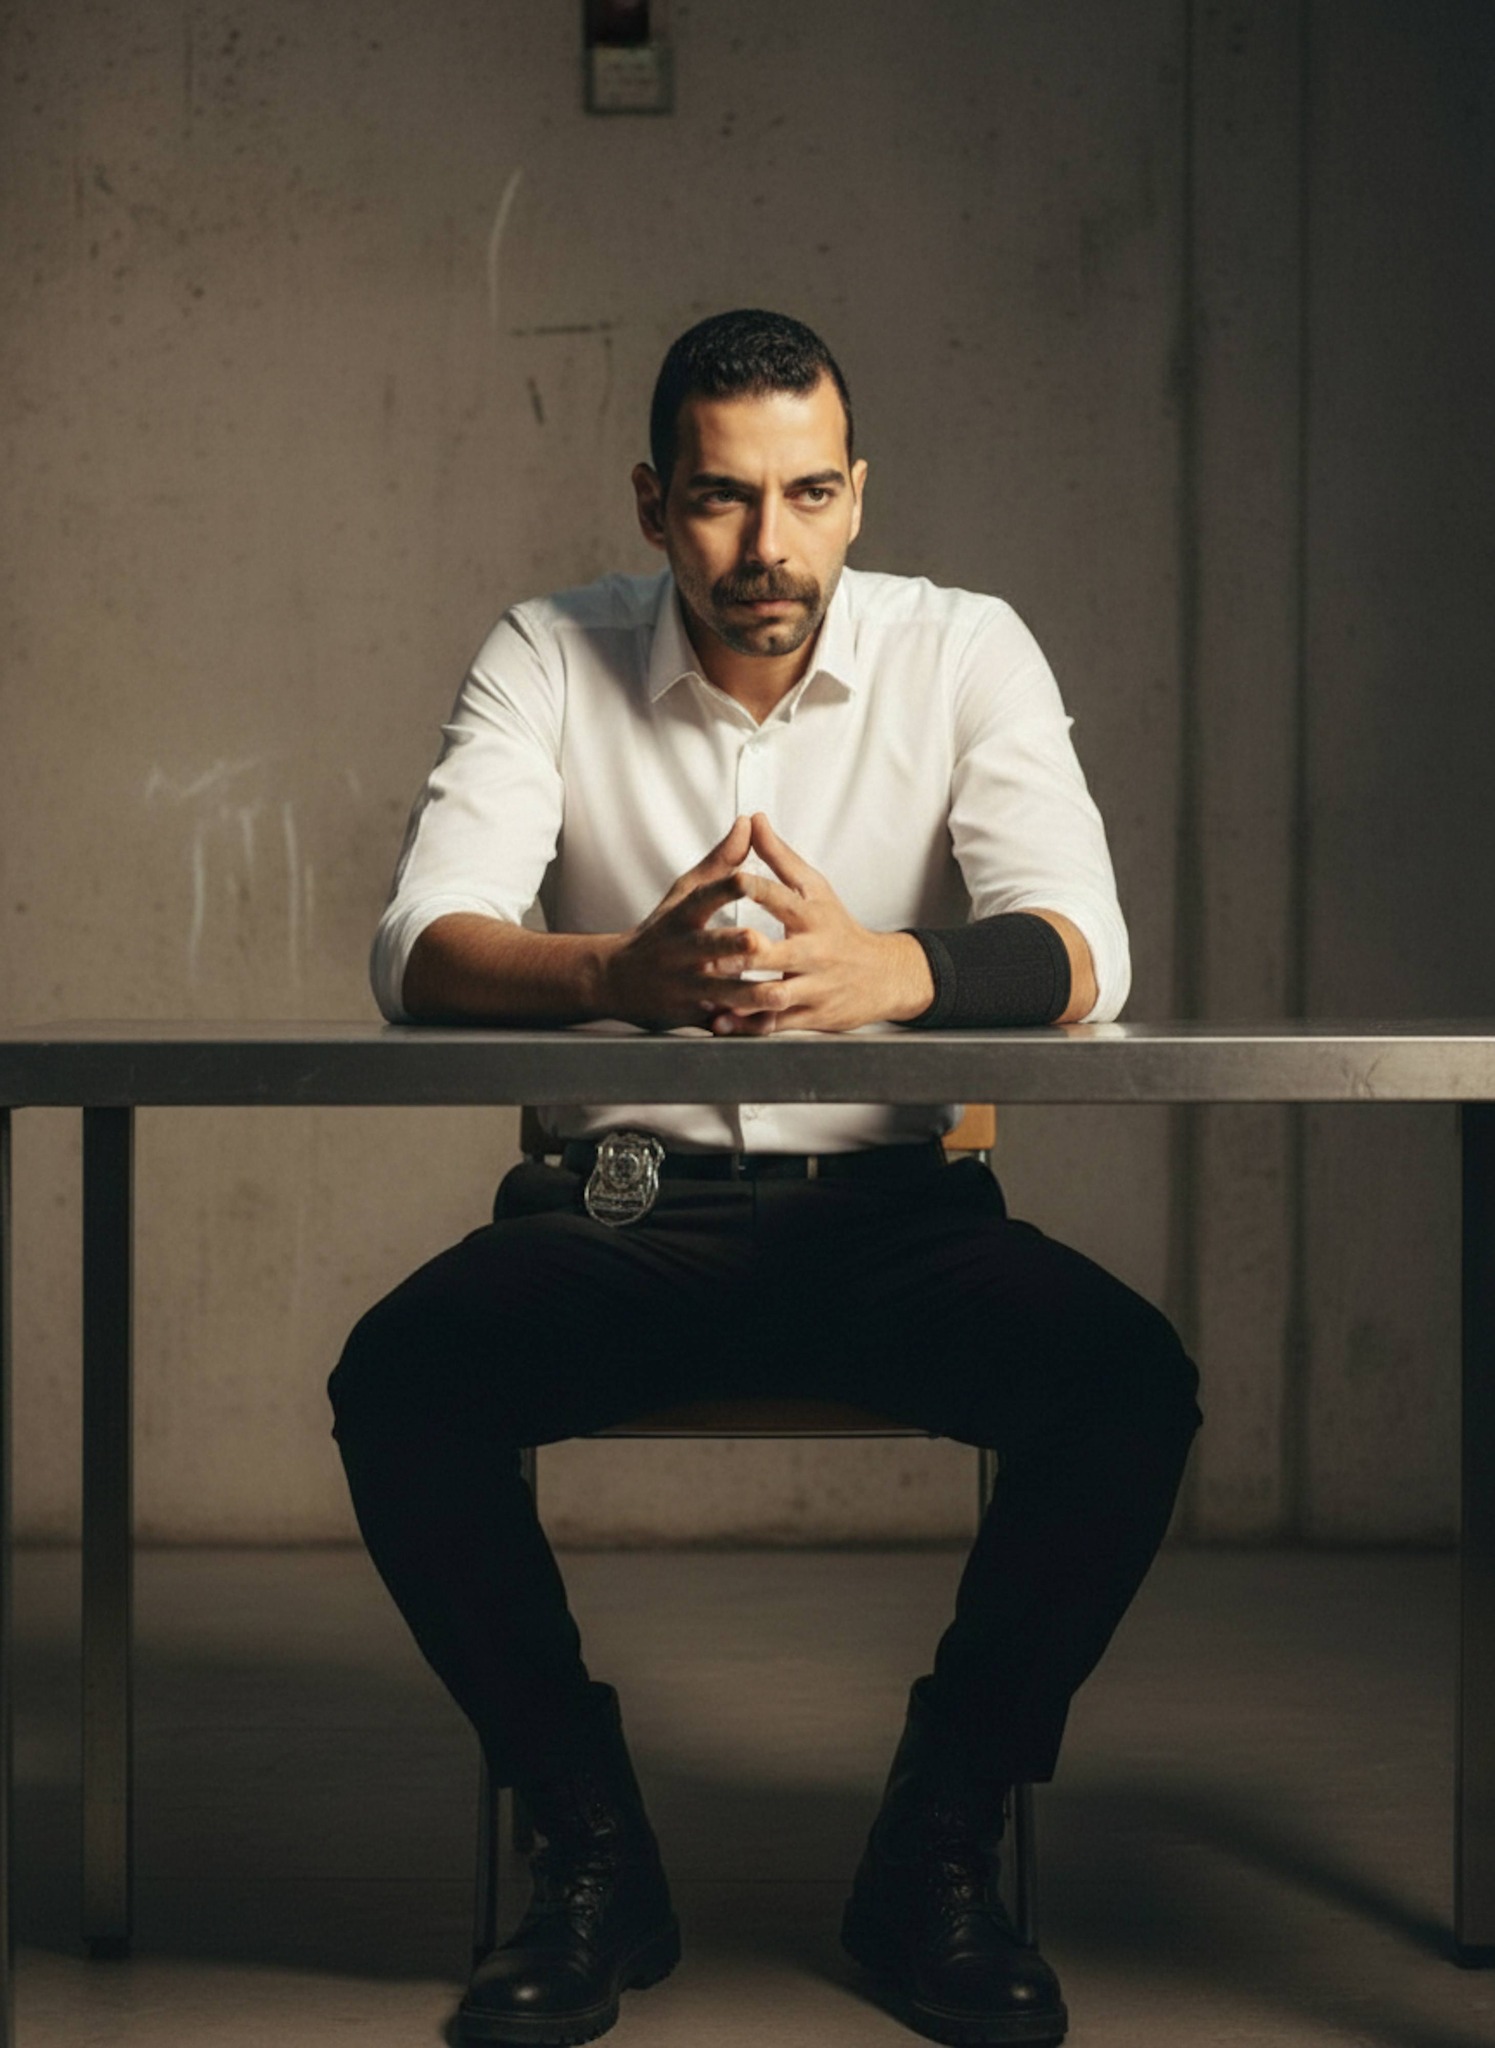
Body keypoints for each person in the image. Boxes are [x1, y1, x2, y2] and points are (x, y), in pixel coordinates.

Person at [330, 308, 1201, 2048]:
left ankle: (934, 1851)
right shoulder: (545, 650)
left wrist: (906, 974)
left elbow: (1090, 946)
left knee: (1126, 1387)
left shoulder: (967, 652)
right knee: (400, 1382)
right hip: (625, 1213)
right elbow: (419, 945)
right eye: (724, 502)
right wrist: (614, 980)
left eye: (810, 496)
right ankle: (589, 1847)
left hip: (891, 1220)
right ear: (657, 503)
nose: (769, 546)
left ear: (858, 495)